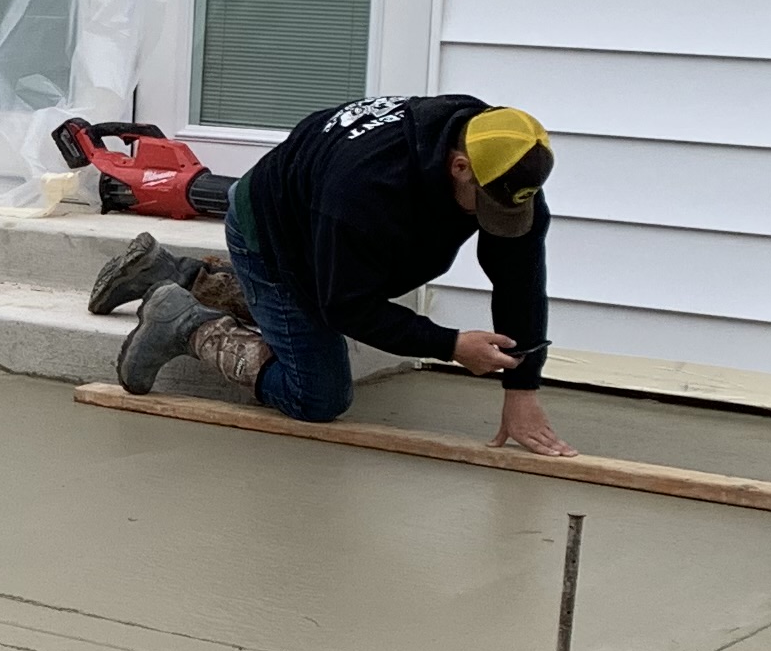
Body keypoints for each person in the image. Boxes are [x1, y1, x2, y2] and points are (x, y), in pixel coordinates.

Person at [96, 94, 570, 456]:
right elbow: (345, 305)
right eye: (486, 207)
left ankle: (178, 272)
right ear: (459, 166)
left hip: (324, 232)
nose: (496, 218)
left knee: (343, 287)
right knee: (317, 395)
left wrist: (522, 388)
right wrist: (449, 346)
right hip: (271, 231)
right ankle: (182, 320)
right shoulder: (364, 187)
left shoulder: (505, 164)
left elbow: (520, 279)